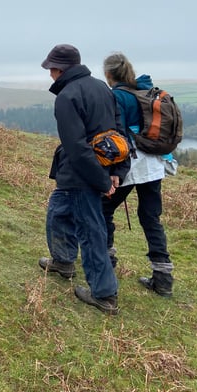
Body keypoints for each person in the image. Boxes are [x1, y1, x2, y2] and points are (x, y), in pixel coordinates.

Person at [38, 44, 129, 315]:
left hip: (82, 174)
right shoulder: (102, 88)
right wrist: (117, 171)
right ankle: (63, 261)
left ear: (59, 69)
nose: (49, 74)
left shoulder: (67, 97)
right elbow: (119, 134)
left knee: (91, 233)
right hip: (87, 171)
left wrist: (103, 181)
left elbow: (77, 147)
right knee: (58, 212)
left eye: (51, 69)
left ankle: (104, 294)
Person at [102, 52, 174, 297]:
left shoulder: (116, 96)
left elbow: (114, 133)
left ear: (109, 74)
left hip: (130, 163)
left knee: (104, 209)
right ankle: (163, 278)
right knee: (151, 218)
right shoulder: (144, 92)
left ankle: (106, 262)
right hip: (154, 163)